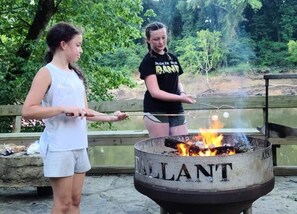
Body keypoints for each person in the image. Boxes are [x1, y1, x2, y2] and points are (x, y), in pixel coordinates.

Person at [22, 22, 128, 214]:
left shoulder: (76, 76)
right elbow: (28, 110)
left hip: (79, 145)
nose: (81, 49)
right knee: (62, 205)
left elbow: (85, 111)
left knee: (75, 201)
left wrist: (112, 117)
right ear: (63, 45)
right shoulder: (46, 73)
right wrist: (62, 108)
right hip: (58, 147)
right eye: (78, 45)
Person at [139, 21, 195, 138]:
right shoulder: (148, 61)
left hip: (176, 108)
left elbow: (177, 81)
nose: (161, 42)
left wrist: (183, 93)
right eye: (156, 39)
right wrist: (181, 98)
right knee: (161, 148)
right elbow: (155, 92)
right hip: (156, 110)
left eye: (163, 37)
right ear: (148, 40)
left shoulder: (173, 57)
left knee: (183, 145)